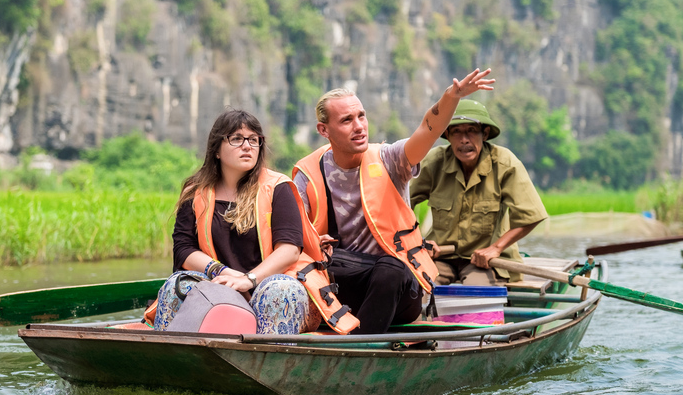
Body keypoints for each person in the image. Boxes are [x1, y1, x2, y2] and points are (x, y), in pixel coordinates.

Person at [292, 69, 495, 334]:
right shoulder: (308, 174)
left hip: (398, 289)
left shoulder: (390, 159)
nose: (359, 126)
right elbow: (292, 241)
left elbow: (427, 130)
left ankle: (359, 347)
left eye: (361, 116)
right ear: (324, 130)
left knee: (391, 270)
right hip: (338, 286)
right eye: (346, 120)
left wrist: (452, 96)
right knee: (311, 269)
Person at [152, 109, 358, 335]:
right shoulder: (195, 192)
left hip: (272, 286)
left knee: (278, 291)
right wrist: (222, 273)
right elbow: (184, 248)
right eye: (237, 139)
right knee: (177, 285)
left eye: (253, 140)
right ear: (217, 150)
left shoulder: (278, 187)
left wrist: (249, 280)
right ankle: (171, 359)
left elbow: (289, 250)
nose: (247, 146)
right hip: (220, 287)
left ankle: (268, 364)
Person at [409, 99, 548, 286]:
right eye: (457, 131)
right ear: (448, 135)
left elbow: (532, 215)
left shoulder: (504, 164)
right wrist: (417, 241)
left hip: (486, 262)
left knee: (477, 292)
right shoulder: (434, 162)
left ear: (485, 133)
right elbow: (399, 203)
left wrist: (495, 248)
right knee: (417, 286)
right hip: (441, 256)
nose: (464, 139)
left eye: (471, 131)